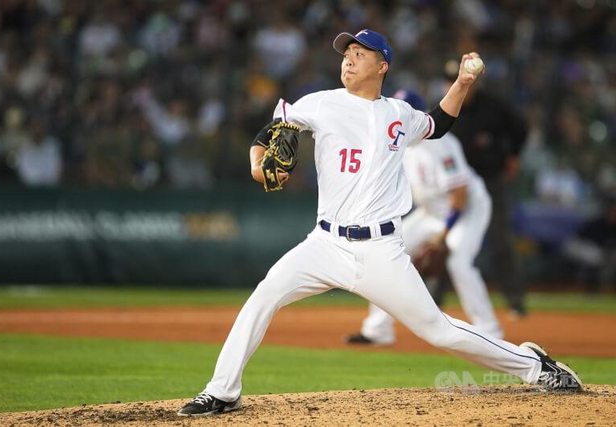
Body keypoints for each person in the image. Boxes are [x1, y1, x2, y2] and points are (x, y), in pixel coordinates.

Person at [177, 29, 581, 417]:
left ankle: (535, 365)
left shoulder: (399, 114)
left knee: (438, 330)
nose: (348, 60)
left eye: (359, 54)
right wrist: (257, 165)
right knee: (265, 295)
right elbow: (269, 134)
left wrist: (462, 82)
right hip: (325, 244)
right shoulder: (321, 104)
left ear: (382, 65)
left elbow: (438, 123)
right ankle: (222, 390)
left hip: (380, 251)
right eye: (346, 55)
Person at [345, 89, 503, 346]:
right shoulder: (399, 144)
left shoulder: (440, 145)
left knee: (459, 263)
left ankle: (490, 331)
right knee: (384, 252)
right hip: (431, 213)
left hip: (466, 211)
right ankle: (378, 330)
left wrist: (443, 235)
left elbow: (460, 196)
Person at [438, 59, 529, 317]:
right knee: (444, 240)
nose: (452, 85)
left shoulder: (493, 106)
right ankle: (434, 301)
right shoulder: (444, 107)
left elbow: (521, 128)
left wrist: (513, 155)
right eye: (449, 81)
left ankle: (515, 301)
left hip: (490, 181)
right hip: (455, 186)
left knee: (501, 241)